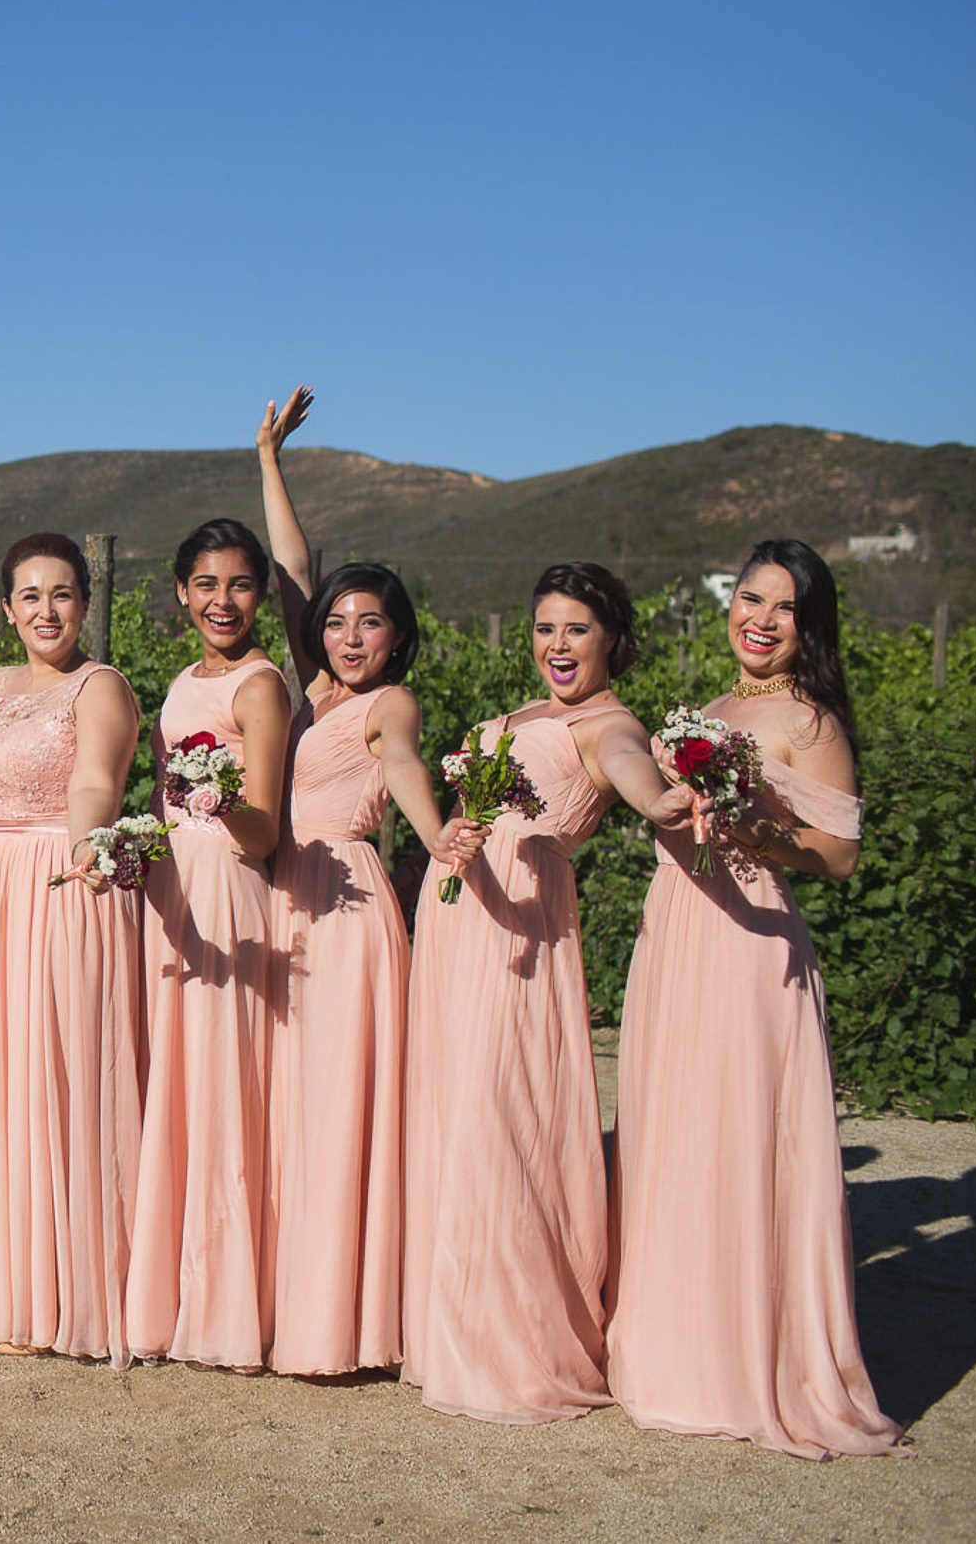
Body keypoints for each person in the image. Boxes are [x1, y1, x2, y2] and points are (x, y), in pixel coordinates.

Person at [606, 541, 905, 1457]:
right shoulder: (713, 709)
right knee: (673, 1134)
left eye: (784, 608)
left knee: (736, 1140)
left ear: (808, 625)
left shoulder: (809, 721)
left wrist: (760, 834)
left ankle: (738, 1361)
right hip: (675, 933)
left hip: (747, 943)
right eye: (749, 599)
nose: (760, 620)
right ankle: (669, 1346)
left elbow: (841, 854)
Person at [403, 562, 693, 1424]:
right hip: (455, 916)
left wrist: (661, 799)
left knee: (503, 1115)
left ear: (611, 638)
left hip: (520, 928)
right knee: (454, 1110)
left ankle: (509, 1341)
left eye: (576, 629)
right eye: (544, 628)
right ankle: (442, 1317)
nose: (556, 645)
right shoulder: (521, 715)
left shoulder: (611, 724)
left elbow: (632, 770)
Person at [254, 393, 447, 1376]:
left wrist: (443, 840)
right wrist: (268, 461)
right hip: (285, 896)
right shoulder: (308, 686)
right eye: (337, 621)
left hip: (348, 905)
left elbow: (406, 767)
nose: (349, 634)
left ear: (398, 636)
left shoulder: (390, 703)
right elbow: (291, 574)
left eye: (372, 622)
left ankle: (342, 1322)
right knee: (291, 1104)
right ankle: (293, 1298)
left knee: (338, 1105)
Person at [0, 532, 144, 1363]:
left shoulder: (99, 684)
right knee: (3, 1077)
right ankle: (13, 1284)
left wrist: (87, 848)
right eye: (30, 595)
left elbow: (94, 781)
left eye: (63, 593)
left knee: (63, 1074)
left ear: (86, 602)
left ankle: (75, 1290)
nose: (46, 610)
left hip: (66, 876)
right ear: (6, 609)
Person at [123, 518, 292, 1370]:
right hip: (171, 886)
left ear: (260, 593)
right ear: (182, 591)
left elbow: (263, 832)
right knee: (177, 1085)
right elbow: (165, 796)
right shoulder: (185, 679)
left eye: (240, 584)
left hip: (226, 889)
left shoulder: (261, 688)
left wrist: (218, 805)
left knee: (223, 1089)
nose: (222, 600)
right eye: (206, 584)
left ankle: (226, 1303)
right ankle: (174, 1287)